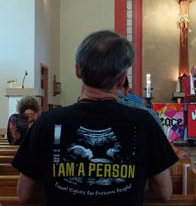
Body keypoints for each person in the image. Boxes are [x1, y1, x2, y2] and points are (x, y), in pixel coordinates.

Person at [12, 30, 178, 206]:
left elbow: (24, 195)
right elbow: (164, 192)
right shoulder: (144, 123)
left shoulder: (46, 123)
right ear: (122, 79)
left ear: (77, 70)